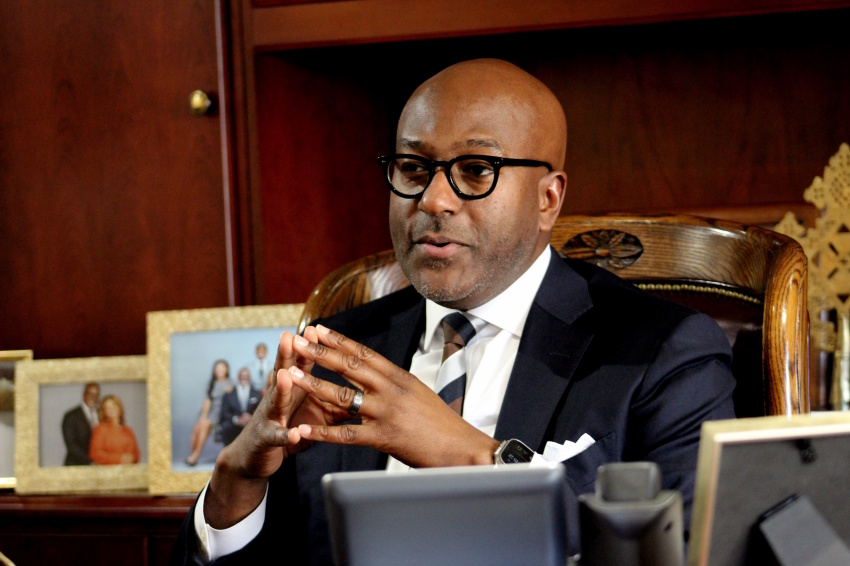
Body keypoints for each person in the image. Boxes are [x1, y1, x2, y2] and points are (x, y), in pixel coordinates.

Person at [171, 59, 736, 564]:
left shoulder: (664, 353)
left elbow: (684, 549)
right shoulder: (336, 349)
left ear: (548, 199)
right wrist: (236, 482)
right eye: (414, 168)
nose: (433, 200)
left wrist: (472, 455)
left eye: (476, 170)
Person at [185, 360, 232, 467]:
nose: (220, 370)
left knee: (205, 425)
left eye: (222, 367)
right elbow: (207, 400)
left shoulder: (230, 383)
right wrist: (203, 416)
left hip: (221, 413)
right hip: (209, 411)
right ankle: (193, 454)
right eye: (217, 368)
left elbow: (231, 401)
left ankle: (195, 456)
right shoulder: (212, 383)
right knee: (197, 427)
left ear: (227, 369)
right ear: (214, 370)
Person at [89, 394, 140, 465]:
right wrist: (119, 458)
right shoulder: (100, 429)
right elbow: (95, 453)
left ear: (119, 407)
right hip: (109, 470)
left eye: (113, 405)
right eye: (107, 407)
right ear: (104, 412)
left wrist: (132, 458)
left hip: (129, 469)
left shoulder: (128, 430)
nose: (111, 409)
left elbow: (136, 453)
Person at [218, 367, 262, 446]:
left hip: (252, 422)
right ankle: (230, 451)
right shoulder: (229, 393)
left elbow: (261, 410)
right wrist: (237, 420)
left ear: (249, 377)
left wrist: (251, 418)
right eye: (242, 375)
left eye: (246, 376)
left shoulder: (257, 393)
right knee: (226, 426)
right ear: (238, 377)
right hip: (234, 422)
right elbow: (224, 412)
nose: (244, 378)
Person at [61, 382, 100, 466]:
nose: (93, 398)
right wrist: (91, 462)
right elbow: (72, 445)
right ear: (83, 395)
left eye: (96, 395)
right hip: (76, 465)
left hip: (99, 465)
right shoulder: (71, 416)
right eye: (90, 394)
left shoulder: (102, 414)